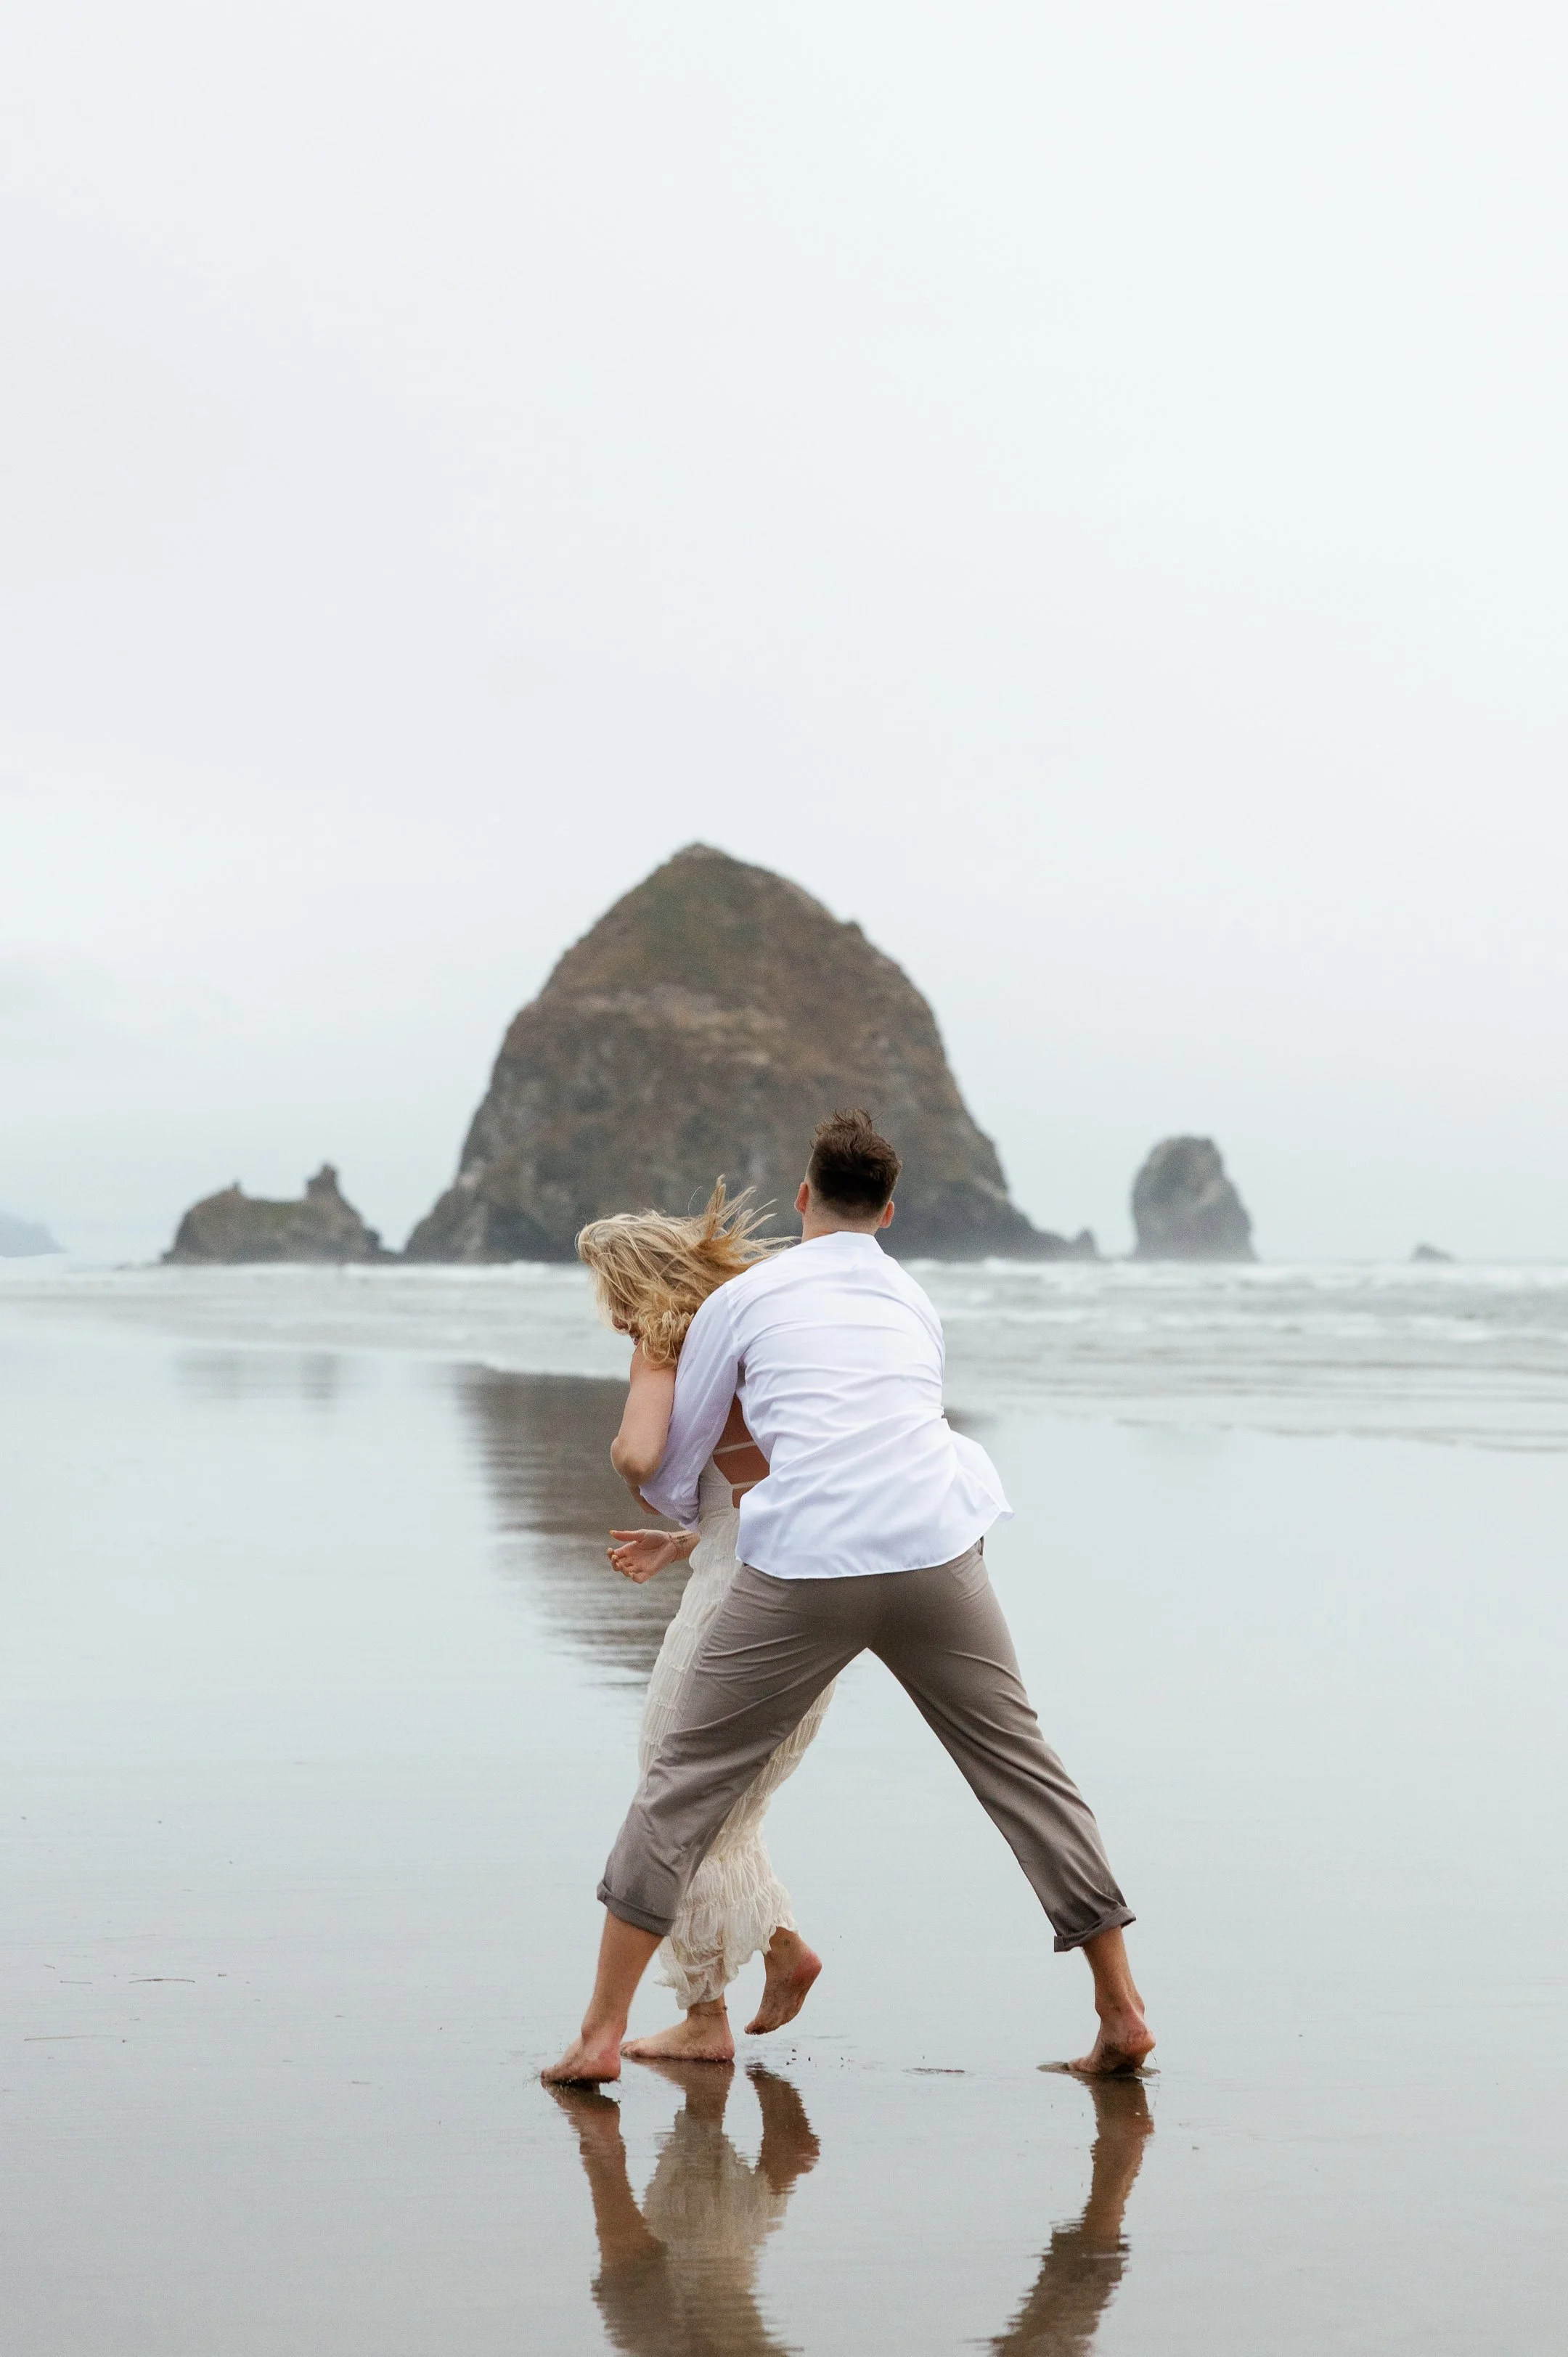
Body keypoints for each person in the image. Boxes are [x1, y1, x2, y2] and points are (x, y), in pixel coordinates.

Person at [545, 1111, 1153, 2086]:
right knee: (1022, 1769)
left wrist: (677, 1515)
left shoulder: (749, 1296)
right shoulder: (916, 1299)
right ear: (891, 1211)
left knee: (684, 1779)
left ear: (801, 1197)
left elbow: (674, 1456)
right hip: (939, 1549)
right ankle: (1121, 2009)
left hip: (807, 1566)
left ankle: (600, 2032)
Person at [576, 1185, 833, 2063]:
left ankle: (719, 2008)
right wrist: (689, 1537)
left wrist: (629, 1438)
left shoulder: (665, 1340)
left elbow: (640, 1454)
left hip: (740, 1592)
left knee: (671, 1788)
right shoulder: (761, 1334)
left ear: (628, 1285)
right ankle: (759, 1967)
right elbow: (765, 1482)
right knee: (724, 1802)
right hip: (812, 1576)